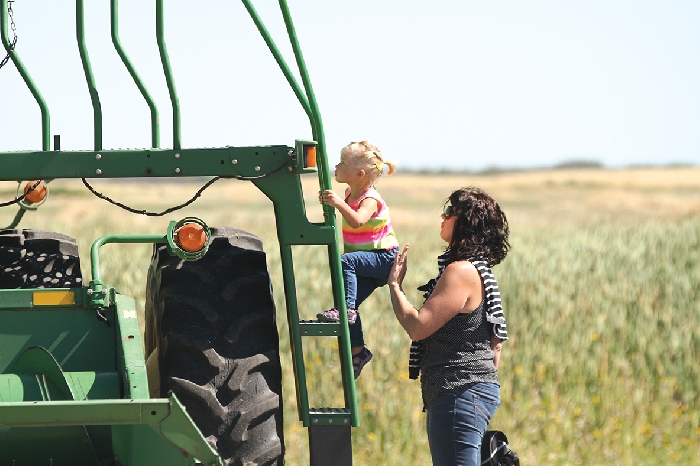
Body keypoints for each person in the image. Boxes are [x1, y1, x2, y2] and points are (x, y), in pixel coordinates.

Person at [388, 187, 510, 466]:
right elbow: (496, 347)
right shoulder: (478, 270)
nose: (442, 217)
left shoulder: (460, 271)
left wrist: (395, 286)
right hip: (470, 391)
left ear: (466, 222)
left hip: (458, 393)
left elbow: (418, 327)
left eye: (448, 212)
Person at [317, 140, 399, 378]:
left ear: (359, 173)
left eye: (342, 163)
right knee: (346, 300)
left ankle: (348, 310)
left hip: (383, 258)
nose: (337, 165)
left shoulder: (370, 199)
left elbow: (357, 220)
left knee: (346, 262)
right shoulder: (349, 192)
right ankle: (359, 350)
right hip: (368, 259)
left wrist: (338, 204)